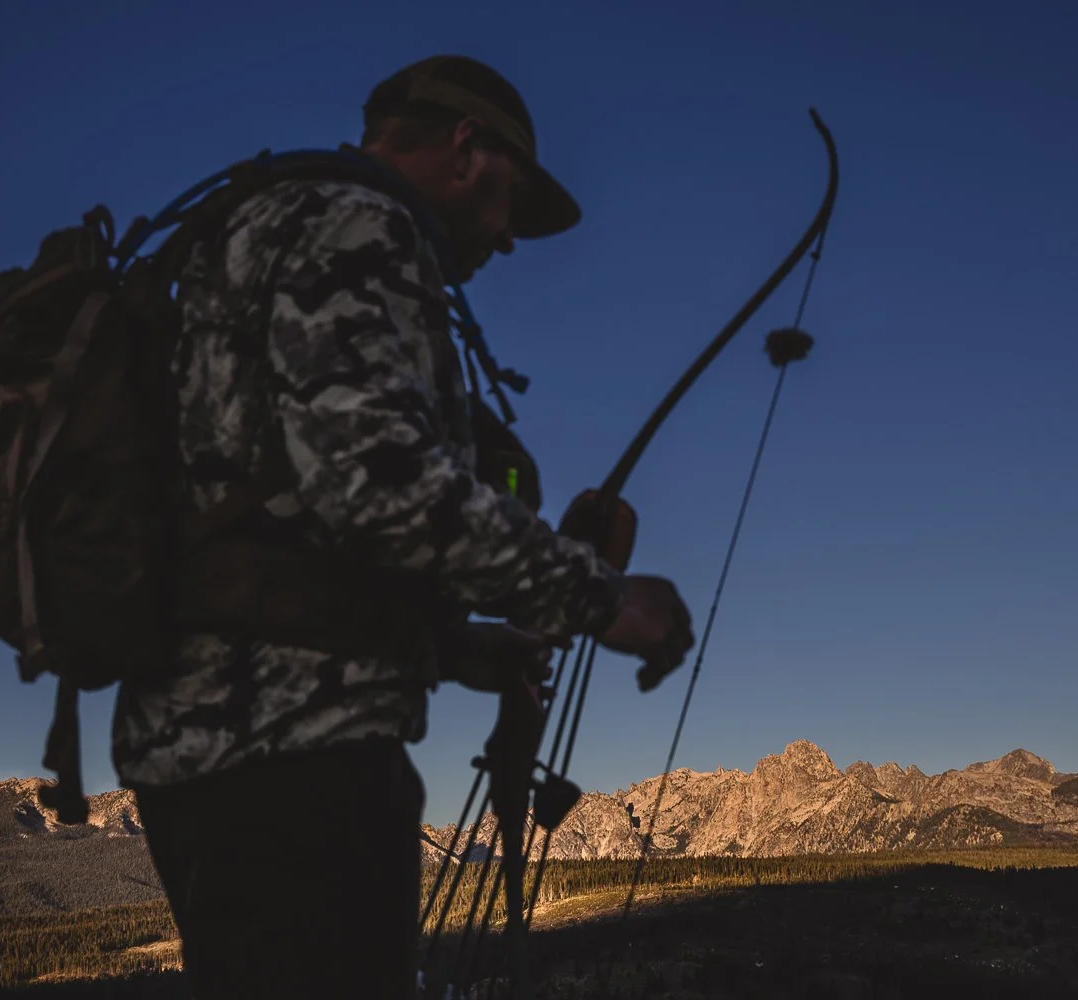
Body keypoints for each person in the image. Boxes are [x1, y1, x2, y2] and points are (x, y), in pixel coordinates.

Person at [112, 54, 695, 999]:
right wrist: (604, 598)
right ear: (467, 148)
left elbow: (290, 522)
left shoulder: (279, 225)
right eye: (513, 197)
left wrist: (459, 648)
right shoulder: (355, 221)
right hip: (292, 756)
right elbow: (375, 483)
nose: (509, 238)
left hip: (228, 743)